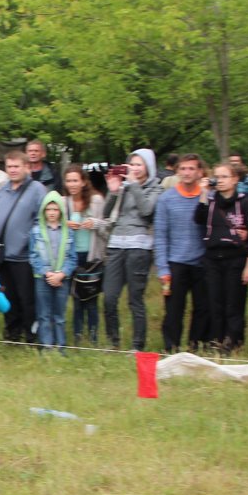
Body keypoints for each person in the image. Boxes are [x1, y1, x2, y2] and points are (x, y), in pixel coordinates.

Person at [195, 161, 248, 351]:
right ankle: (217, 340)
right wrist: (204, 193)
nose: (220, 181)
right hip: (212, 258)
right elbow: (198, 218)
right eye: (217, 177)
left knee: (234, 302)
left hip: (236, 258)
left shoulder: (244, 203)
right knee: (215, 301)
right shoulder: (210, 201)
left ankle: (233, 341)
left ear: (235, 179)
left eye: (224, 177)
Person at [100, 149, 161, 351]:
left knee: (135, 298)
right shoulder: (123, 186)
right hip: (116, 244)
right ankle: (113, 341)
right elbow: (106, 214)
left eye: (139, 164)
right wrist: (113, 191)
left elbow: (146, 211)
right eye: (131, 164)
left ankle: (137, 345)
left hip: (139, 246)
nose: (134, 168)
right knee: (109, 296)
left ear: (148, 167)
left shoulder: (155, 188)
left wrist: (134, 185)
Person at [0, 151, 47, 345]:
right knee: (8, 296)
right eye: (9, 167)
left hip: (26, 256)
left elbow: (42, 220)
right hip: (4, 255)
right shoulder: (2, 191)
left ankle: (31, 334)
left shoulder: (37, 189)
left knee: (27, 298)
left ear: (26, 167)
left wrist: (28, 241)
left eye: (16, 166)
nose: (12, 170)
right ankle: (13, 333)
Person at [154, 154, 209, 353]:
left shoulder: (208, 197)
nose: (187, 173)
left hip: (202, 262)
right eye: (183, 169)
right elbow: (160, 235)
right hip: (175, 262)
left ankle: (196, 348)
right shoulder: (166, 199)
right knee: (174, 310)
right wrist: (162, 268)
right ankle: (171, 348)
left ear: (200, 172)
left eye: (191, 169)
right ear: (177, 172)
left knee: (203, 309)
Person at [28, 191, 77, 353]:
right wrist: (47, 273)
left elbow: (72, 257)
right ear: (43, 211)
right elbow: (33, 256)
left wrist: (61, 274)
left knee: (60, 315)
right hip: (43, 279)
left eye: (55, 209)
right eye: (48, 209)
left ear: (61, 211)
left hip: (62, 278)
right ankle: (46, 347)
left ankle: (61, 346)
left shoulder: (69, 232)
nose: (52, 213)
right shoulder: (36, 232)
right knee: (44, 314)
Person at [62, 164, 105, 346]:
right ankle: (78, 338)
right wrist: (66, 224)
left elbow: (107, 226)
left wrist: (94, 223)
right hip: (71, 257)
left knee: (91, 299)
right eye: (69, 180)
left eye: (75, 180)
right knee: (76, 298)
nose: (72, 184)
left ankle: (93, 338)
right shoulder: (63, 202)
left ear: (83, 182)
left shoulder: (96, 201)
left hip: (91, 257)